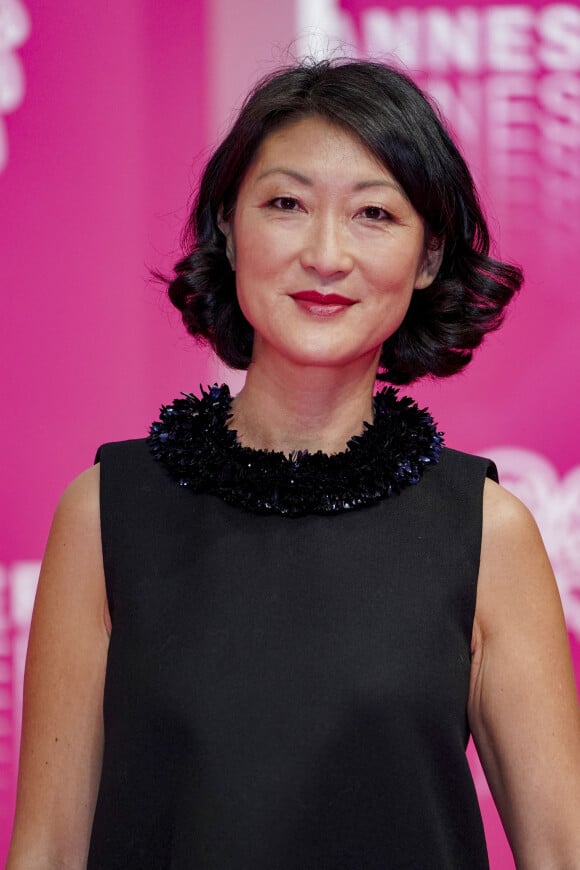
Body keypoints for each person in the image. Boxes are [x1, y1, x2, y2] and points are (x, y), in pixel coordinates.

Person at [8, 58, 580, 869]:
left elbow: (562, 852)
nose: (325, 254)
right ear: (228, 231)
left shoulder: (486, 533)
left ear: (427, 259)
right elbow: (50, 854)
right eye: (286, 204)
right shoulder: (107, 514)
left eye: (374, 214)